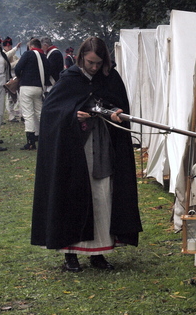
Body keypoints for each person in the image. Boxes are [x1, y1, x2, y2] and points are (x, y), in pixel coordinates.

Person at [31, 36, 142, 272]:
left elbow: (116, 103)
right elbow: (52, 110)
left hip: (102, 146)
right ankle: (70, 254)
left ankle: (99, 252)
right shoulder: (70, 77)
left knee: (102, 196)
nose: (93, 67)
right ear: (81, 57)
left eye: (97, 63)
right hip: (74, 151)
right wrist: (74, 113)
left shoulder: (110, 77)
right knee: (72, 195)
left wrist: (114, 112)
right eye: (90, 62)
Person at [14, 38, 51, 150]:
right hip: (39, 87)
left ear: (31, 46)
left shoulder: (28, 54)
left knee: (28, 114)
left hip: (27, 86)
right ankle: (43, 136)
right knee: (39, 113)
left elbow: (18, 68)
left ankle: (30, 142)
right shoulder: (44, 57)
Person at [2, 36, 22, 122]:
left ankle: (17, 114)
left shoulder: (13, 55)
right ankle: (11, 116)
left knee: (16, 98)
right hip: (7, 78)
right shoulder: (3, 55)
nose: (9, 47)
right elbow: (10, 65)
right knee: (10, 98)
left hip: (15, 78)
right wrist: (19, 61)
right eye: (8, 46)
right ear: (4, 46)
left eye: (10, 46)